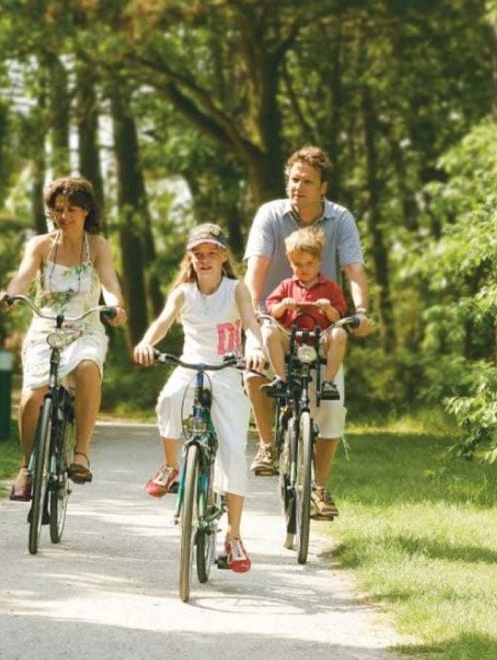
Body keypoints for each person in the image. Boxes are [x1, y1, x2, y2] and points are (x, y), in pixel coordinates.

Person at [243, 146, 372, 519]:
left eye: (306, 181)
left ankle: (319, 487)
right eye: (293, 179)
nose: (297, 187)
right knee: (254, 373)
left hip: (321, 326)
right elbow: (256, 269)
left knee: (330, 409)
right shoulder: (270, 214)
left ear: (323, 187)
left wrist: (360, 311)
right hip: (275, 319)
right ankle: (268, 445)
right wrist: (254, 321)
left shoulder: (341, 219)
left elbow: (354, 271)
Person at [133, 223, 266, 573]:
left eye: (211, 253)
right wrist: (148, 343)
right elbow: (162, 322)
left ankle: (234, 536)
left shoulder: (237, 290)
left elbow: (251, 324)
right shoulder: (184, 292)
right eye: (198, 254)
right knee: (168, 400)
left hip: (224, 372)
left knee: (234, 451)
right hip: (190, 366)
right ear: (190, 258)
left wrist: (254, 349)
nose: (204, 260)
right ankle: (171, 466)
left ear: (223, 255)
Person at [0, 176, 127, 501]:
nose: (64, 215)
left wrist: (114, 305)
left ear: (86, 211)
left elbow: (109, 282)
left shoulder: (97, 245)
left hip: (85, 324)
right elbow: (23, 277)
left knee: (87, 369)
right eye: (58, 209)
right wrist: (9, 296)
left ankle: (81, 454)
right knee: (32, 397)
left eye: (71, 209)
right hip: (47, 327)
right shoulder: (41, 244)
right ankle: (27, 466)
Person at [263, 227, 349, 402]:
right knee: (269, 331)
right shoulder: (287, 285)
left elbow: (338, 317)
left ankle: (328, 383)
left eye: (309, 263)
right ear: (290, 262)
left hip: (320, 340)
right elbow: (272, 310)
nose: (304, 269)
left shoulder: (330, 287)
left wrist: (328, 309)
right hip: (291, 339)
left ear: (319, 261)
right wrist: (283, 305)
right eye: (298, 265)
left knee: (340, 333)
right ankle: (281, 379)